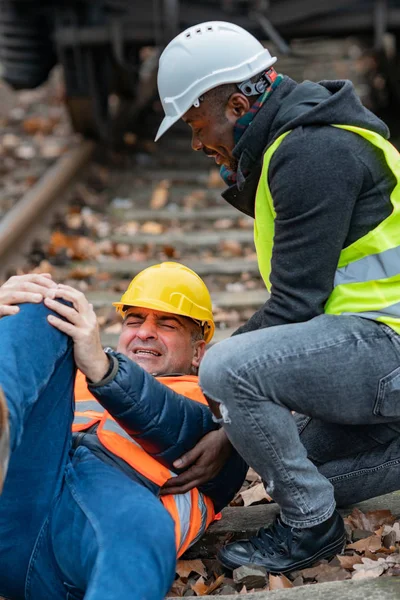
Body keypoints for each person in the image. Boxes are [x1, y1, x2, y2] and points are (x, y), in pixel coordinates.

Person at [155, 21, 400, 574]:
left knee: (228, 367)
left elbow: (293, 306)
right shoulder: (305, 136)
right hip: (375, 350)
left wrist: (216, 402)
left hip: (388, 347)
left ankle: (310, 527)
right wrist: (237, 435)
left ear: (239, 105)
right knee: (294, 460)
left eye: (196, 124)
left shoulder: (312, 150)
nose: (196, 143)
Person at [0, 262, 247, 599]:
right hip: (21, 494)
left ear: (198, 353)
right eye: (134, 320)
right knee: (49, 304)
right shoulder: (71, 371)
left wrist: (105, 371)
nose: (144, 332)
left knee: (144, 528)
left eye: (167, 324)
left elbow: (182, 428)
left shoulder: (218, 407)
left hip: (94, 539)